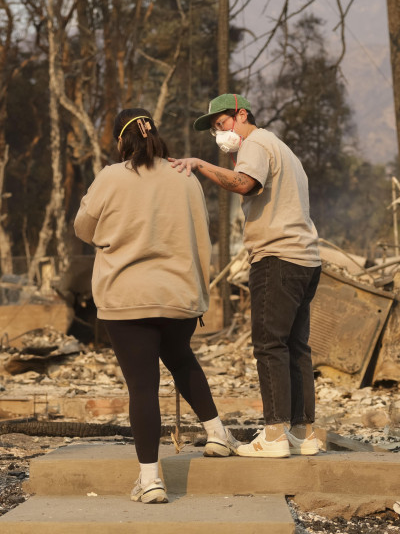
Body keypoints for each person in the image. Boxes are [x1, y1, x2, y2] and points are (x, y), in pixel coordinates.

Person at [74, 108, 239, 504]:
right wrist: (199, 294)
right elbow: (203, 236)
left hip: (126, 297)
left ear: (121, 141)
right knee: (181, 360)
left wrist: (112, 237)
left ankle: (150, 480)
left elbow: (83, 227)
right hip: (179, 293)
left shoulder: (112, 176)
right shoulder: (185, 177)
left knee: (143, 387)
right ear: (156, 135)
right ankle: (217, 434)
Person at [170, 93, 322, 458]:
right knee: (296, 349)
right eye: (213, 131)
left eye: (221, 125)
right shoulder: (283, 149)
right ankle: (303, 433)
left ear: (241, 115)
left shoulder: (255, 144)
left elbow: (243, 183)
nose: (219, 134)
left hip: (277, 257)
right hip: (307, 259)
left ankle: (273, 437)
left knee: (269, 346)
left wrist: (199, 164)